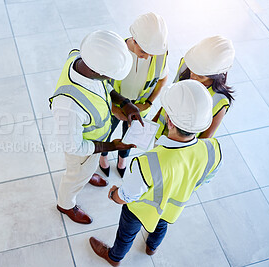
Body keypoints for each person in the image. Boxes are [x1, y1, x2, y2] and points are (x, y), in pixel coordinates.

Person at [89, 80, 223, 266]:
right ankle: (152, 247)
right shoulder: (213, 149)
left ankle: (114, 257)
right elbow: (204, 179)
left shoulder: (147, 163)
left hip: (138, 211)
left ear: (169, 120)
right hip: (171, 208)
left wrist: (113, 195)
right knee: (161, 226)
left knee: (126, 235)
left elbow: (126, 196)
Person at [49, 30, 144, 224]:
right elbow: (73, 147)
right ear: (97, 72)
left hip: (93, 145)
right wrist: (112, 147)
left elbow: (103, 86)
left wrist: (124, 102)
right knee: (75, 177)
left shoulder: (82, 58)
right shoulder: (68, 107)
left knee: (85, 170)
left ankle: (88, 173)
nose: (110, 80)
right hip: (82, 151)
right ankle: (66, 204)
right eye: (108, 76)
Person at [99, 12, 169, 178]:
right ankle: (104, 157)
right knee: (106, 132)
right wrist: (115, 109)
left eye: (151, 53)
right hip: (114, 105)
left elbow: (162, 79)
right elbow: (101, 85)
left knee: (130, 137)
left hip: (139, 106)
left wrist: (149, 103)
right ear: (133, 39)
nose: (147, 56)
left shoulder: (158, 54)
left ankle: (122, 161)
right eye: (143, 51)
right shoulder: (116, 52)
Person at [154, 35, 235, 139]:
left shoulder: (219, 101)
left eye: (200, 76)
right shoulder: (186, 66)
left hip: (179, 149)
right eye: (192, 69)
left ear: (216, 75)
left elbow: (204, 139)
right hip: (159, 135)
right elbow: (169, 100)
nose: (192, 75)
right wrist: (152, 124)